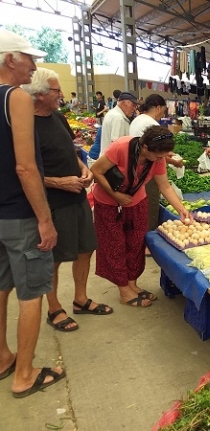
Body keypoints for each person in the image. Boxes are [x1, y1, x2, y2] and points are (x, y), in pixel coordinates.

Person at [22, 68, 113, 332]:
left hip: (77, 197)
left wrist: (82, 169)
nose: (61, 94)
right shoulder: (25, 125)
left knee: (86, 248)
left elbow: (69, 150)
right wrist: (58, 182)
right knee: (55, 257)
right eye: (56, 90)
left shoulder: (58, 117)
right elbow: (24, 171)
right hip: (52, 202)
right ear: (39, 94)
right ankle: (54, 308)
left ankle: (80, 299)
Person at [0, 29, 65, 398]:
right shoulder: (17, 99)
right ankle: (24, 373)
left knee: (1, 286)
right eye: (29, 58)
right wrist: (44, 218)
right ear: (10, 59)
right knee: (31, 292)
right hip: (21, 215)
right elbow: (26, 167)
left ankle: (3, 357)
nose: (34, 66)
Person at [90, 126, 190, 307]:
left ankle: (132, 285)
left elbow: (165, 186)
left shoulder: (157, 158)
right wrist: (116, 195)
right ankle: (123, 291)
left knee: (136, 243)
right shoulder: (121, 147)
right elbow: (96, 171)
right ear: (145, 147)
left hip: (136, 200)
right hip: (109, 200)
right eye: (159, 156)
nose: (161, 160)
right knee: (115, 244)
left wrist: (181, 209)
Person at [129, 94, 184, 231]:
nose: (163, 114)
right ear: (158, 108)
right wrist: (173, 161)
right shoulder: (151, 124)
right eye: (164, 110)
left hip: (136, 168)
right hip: (147, 170)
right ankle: (147, 239)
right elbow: (155, 154)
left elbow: (153, 150)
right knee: (150, 205)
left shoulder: (138, 119)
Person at [99, 91, 139, 157]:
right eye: (133, 105)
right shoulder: (119, 118)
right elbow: (116, 147)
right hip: (112, 163)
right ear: (123, 103)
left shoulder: (112, 113)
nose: (135, 109)